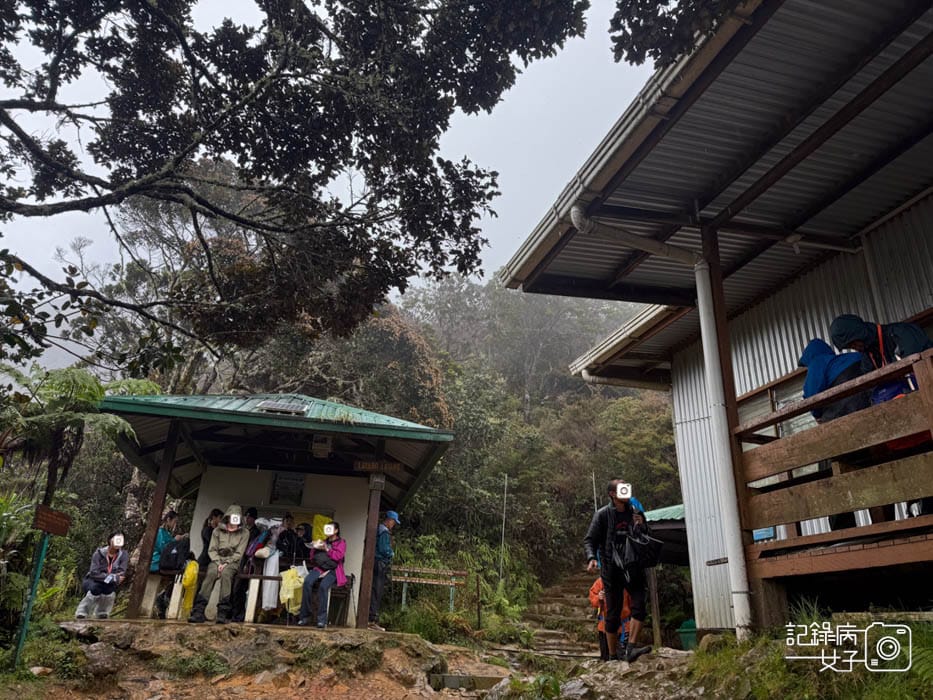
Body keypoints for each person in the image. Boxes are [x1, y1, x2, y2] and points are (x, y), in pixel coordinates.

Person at [584, 479, 652, 663]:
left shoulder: (635, 512)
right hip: (611, 568)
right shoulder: (603, 515)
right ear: (612, 494)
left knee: (639, 605)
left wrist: (642, 525)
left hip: (632, 566)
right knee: (612, 613)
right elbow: (590, 540)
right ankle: (613, 657)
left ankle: (630, 648)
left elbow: (646, 536)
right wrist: (592, 558)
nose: (626, 491)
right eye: (622, 488)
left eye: (627, 487)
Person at [188, 504, 250, 624]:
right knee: (210, 574)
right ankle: (199, 610)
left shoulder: (244, 533)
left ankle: (222, 612)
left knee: (227, 575)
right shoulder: (217, 531)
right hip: (216, 559)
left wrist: (226, 563)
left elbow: (239, 553)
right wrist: (218, 562)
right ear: (227, 517)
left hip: (233, 561)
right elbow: (212, 549)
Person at [830, 314, 933, 372]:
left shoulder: (901, 333)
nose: (855, 348)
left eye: (853, 343)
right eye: (849, 346)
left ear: (859, 333)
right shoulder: (868, 355)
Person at [798, 339, 870, 422]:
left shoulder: (817, 362)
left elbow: (812, 397)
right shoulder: (852, 356)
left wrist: (817, 415)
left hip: (846, 410)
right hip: (870, 400)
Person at [298, 522, 347, 628]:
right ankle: (304, 617)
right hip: (320, 567)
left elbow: (338, 557)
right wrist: (314, 547)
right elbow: (312, 558)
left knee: (323, 587)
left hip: (334, 569)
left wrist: (327, 549)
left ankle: (322, 620)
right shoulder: (323, 541)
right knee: (307, 582)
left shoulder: (341, 542)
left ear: (336, 530)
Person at [75, 532, 129, 619]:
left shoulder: (123, 555)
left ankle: (102, 613)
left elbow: (122, 572)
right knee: (95, 588)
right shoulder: (99, 553)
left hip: (109, 582)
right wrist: (113, 577)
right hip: (93, 580)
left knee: (109, 591)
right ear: (110, 540)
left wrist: (108, 576)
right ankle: (82, 612)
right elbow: (94, 573)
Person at [368, 510, 399, 631]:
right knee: (377, 591)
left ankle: (371, 618)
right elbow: (383, 549)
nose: (394, 525)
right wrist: (391, 553)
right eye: (394, 522)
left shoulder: (378, 529)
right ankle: (372, 620)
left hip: (375, 563)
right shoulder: (384, 532)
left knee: (375, 590)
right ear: (389, 520)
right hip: (380, 564)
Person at [589, 576, 631, 661]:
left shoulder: (626, 581)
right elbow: (593, 599)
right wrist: (599, 597)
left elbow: (633, 602)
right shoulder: (600, 582)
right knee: (606, 657)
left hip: (623, 627)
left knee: (623, 656)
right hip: (604, 627)